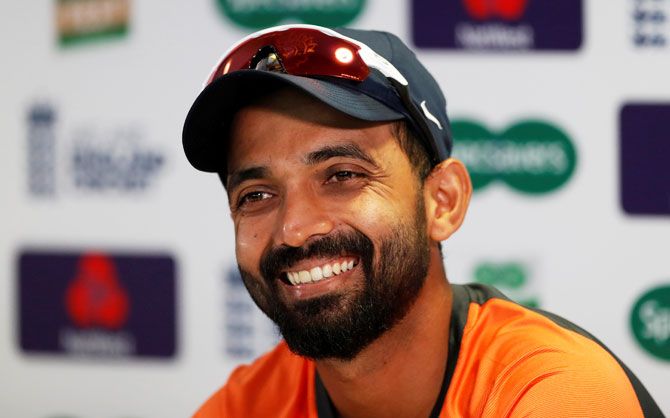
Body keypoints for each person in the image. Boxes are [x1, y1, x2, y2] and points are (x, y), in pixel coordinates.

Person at [182, 24, 663, 418]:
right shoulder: (246, 405)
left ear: (442, 201)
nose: (294, 228)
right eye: (257, 195)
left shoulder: (555, 392)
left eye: (342, 175)